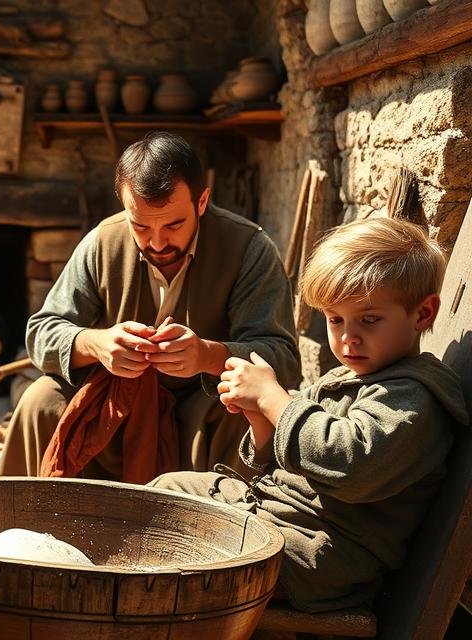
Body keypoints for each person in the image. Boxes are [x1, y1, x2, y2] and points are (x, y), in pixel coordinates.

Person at [153, 217, 468, 612]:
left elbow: (346, 462)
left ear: (422, 314)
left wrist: (273, 397)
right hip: (275, 517)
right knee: (166, 492)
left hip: (316, 554)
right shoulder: (345, 376)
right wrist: (260, 419)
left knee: (175, 550)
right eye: (335, 319)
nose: (348, 337)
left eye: (369, 320)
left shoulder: (413, 400)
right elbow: (285, 460)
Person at [0, 131, 301, 479]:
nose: (157, 242)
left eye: (174, 224)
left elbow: (283, 359)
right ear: (125, 207)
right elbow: (41, 333)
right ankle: (28, 522)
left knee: (242, 409)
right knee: (40, 400)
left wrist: (207, 355)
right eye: (140, 225)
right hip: (117, 403)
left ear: (202, 202)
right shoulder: (104, 242)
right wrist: (97, 344)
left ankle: (224, 529)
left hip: (202, 409)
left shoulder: (249, 249)